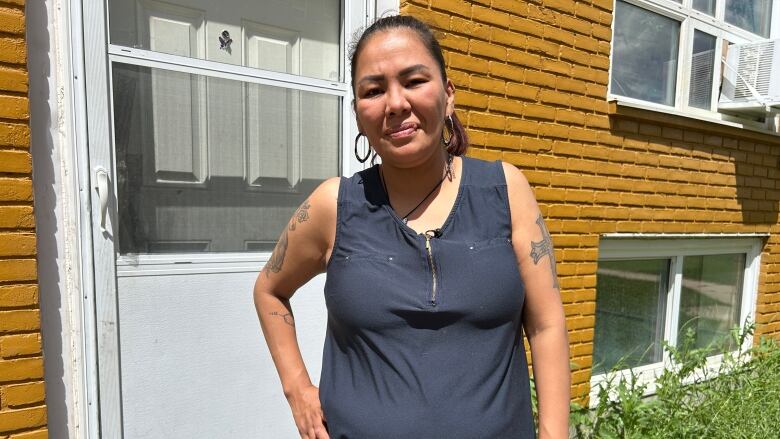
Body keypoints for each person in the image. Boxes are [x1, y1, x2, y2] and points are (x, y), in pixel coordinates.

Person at [254, 15, 570, 439]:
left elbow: (547, 325)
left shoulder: (505, 191)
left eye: (414, 81)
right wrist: (298, 390)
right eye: (374, 90)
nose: (395, 103)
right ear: (357, 113)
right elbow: (270, 290)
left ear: (449, 94)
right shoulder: (335, 205)